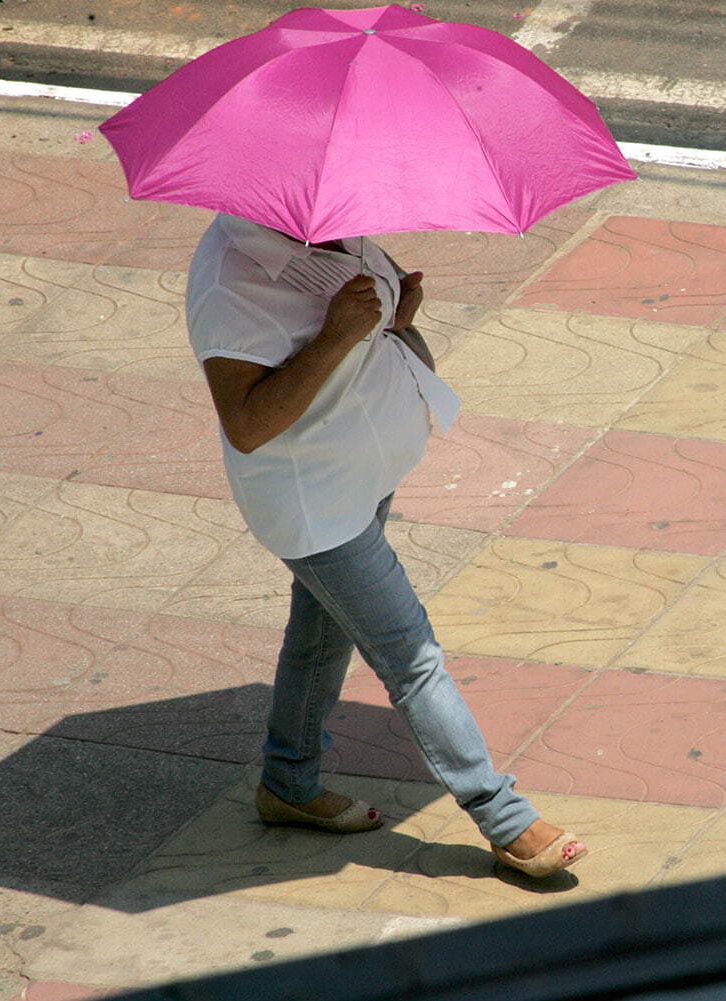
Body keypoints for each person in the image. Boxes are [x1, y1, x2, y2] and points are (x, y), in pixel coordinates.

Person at [184, 213, 584, 879]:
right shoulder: (230, 282)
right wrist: (336, 335)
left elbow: (381, 339)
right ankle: (503, 815)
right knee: (412, 655)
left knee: (321, 634)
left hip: (362, 472)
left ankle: (288, 780)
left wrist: (398, 320)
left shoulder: (336, 227)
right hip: (314, 503)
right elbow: (247, 424)